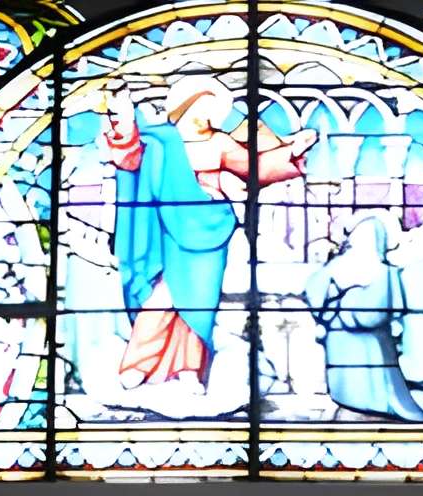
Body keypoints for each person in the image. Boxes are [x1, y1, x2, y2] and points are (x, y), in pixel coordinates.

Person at [102, 76, 305, 388]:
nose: (212, 111)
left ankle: (190, 369)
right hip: (166, 226)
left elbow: (256, 167)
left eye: (215, 105)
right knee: (163, 295)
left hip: (210, 228)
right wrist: (123, 116)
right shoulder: (161, 139)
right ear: (189, 103)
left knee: (199, 299)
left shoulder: (220, 142)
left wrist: (292, 151)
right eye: (205, 103)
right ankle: (138, 364)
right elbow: (129, 157)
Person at [308, 217, 423, 421]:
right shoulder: (336, 267)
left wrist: (345, 301)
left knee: (377, 387)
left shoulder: (382, 271)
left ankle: (371, 407)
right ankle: (352, 402)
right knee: (351, 384)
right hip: (342, 344)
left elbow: (374, 314)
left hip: (371, 346)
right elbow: (314, 294)